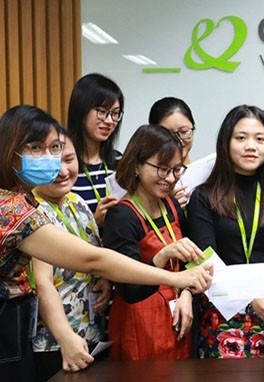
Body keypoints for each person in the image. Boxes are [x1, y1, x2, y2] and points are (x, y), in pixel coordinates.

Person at [0, 105, 211, 382]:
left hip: (69, 326)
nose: (52, 160)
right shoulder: (11, 207)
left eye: (56, 148)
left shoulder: (34, 200)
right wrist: (177, 277)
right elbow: (93, 259)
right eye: (36, 148)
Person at [186, 105, 264, 358]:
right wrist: (249, 297)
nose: (251, 146)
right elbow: (206, 259)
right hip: (222, 310)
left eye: (260, 139)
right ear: (226, 142)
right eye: (241, 138)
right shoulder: (204, 197)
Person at [102, 125, 202, 360]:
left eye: (176, 170)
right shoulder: (122, 216)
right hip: (139, 325)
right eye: (161, 169)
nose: (170, 178)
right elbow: (128, 288)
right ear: (137, 165)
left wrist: (188, 292)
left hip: (178, 317)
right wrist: (162, 256)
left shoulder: (171, 205)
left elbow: (195, 261)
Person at [31, 132, 111, 381]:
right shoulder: (32, 210)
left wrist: (105, 280)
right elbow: (42, 284)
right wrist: (65, 337)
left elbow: (93, 257)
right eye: (53, 164)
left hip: (92, 334)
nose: (63, 170)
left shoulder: (77, 202)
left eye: (69, 159)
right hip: (56, 343)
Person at [67, 73, 124, 226]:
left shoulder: (120, 161)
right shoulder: (64, 167)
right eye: (102, 111)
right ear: (81, 110)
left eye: (115, 113)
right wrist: (94, 222)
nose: (109, 121)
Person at [149, 97, 197, 207]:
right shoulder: (146, 179)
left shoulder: (204, 172)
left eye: (184, 131)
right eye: (168, 134)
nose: (179, 141)